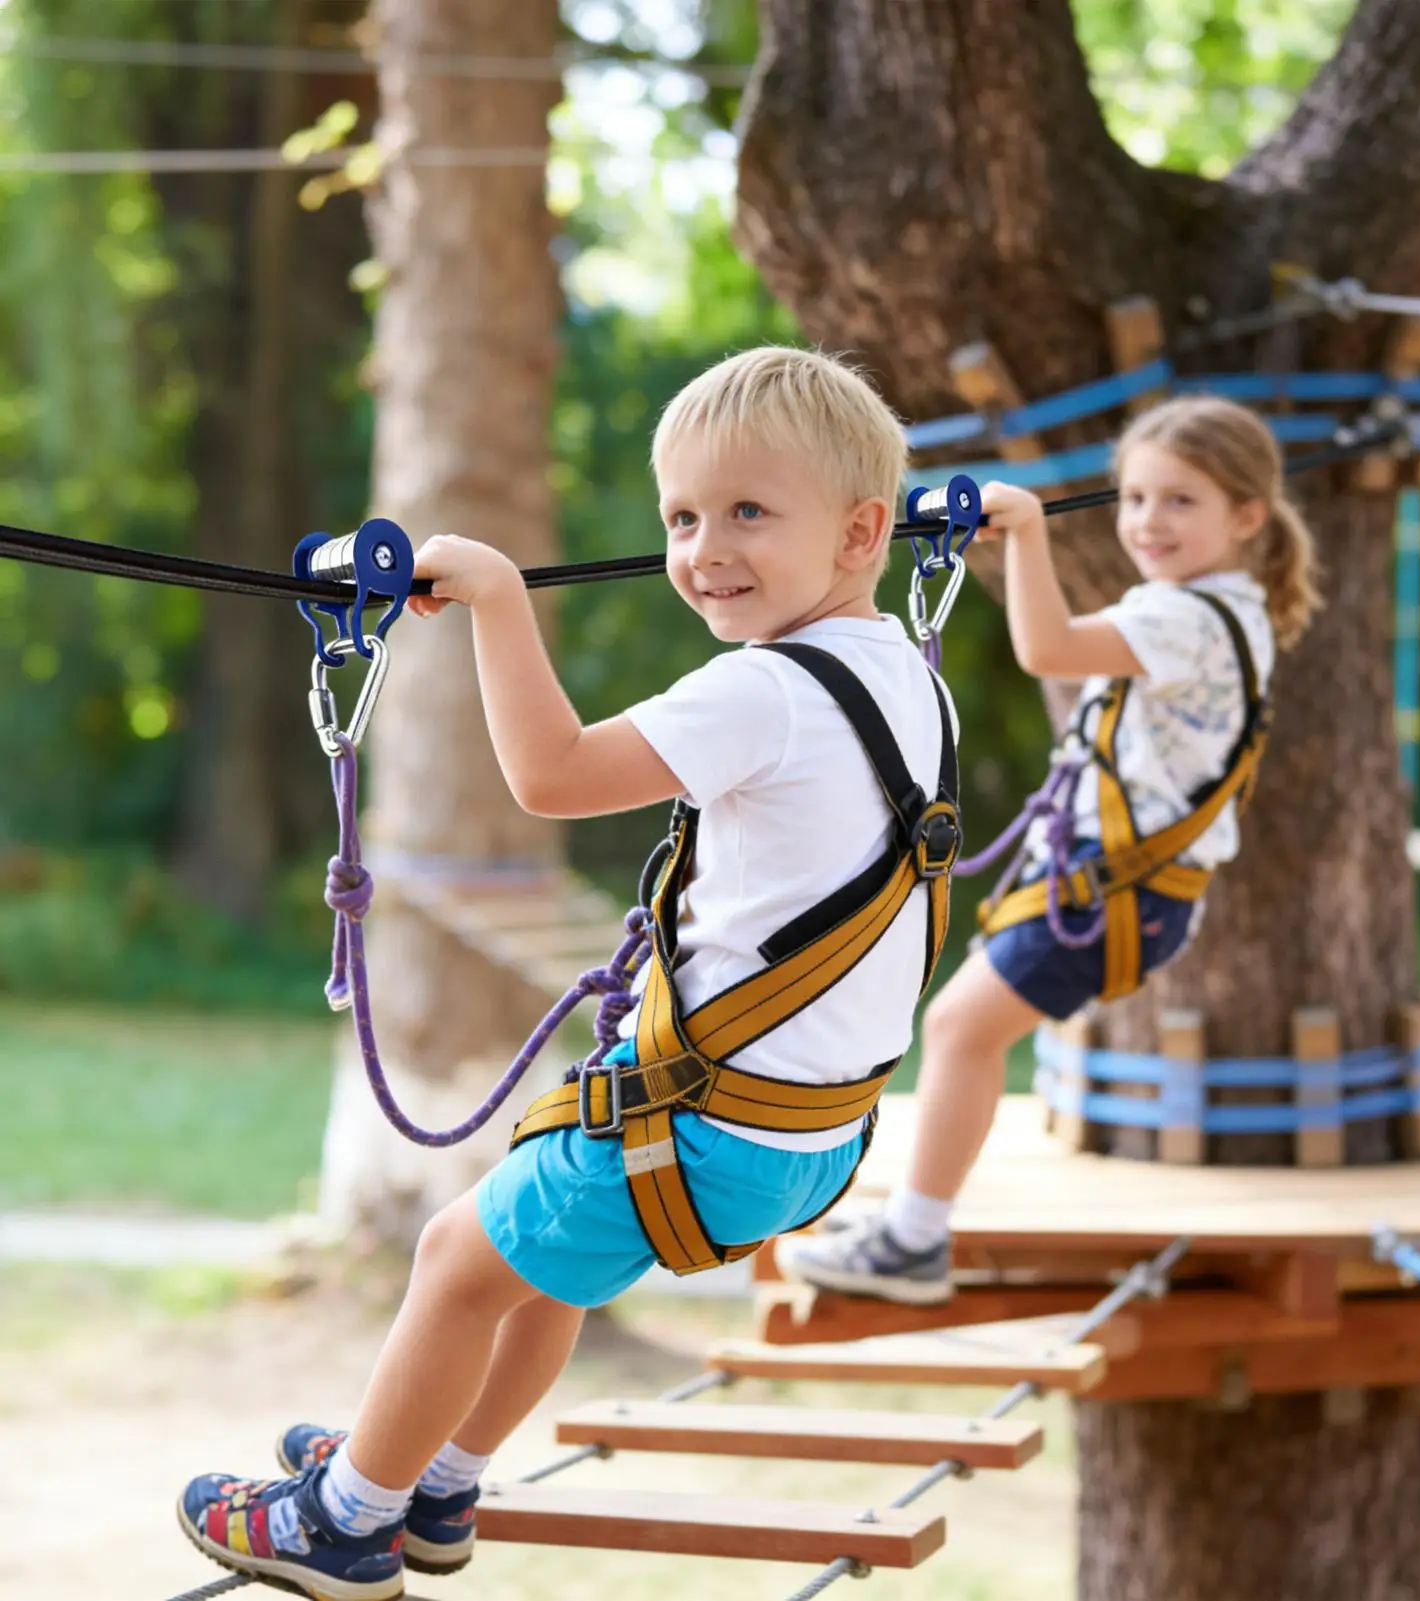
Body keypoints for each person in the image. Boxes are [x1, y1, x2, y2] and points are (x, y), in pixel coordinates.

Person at [175, 346, 960, 1600]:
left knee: (451, 1257)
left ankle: (346, 1518)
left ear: (862, 531)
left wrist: (493, 594)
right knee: (542, 1268)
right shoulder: (911, 681)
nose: (705, 547)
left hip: (711, 1132)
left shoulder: (759, 687)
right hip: (809, 1137)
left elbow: (549, 775)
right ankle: (435, 1477)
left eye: (749, 511)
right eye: (683, 516)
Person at [777, 395, 1322, 1307]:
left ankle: (913, 1239)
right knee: (960, 1028)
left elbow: (1048, 648)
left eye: (1179, 501)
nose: (1148, 521)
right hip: (1120, 888)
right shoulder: (1215, 608)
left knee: (957, 1030)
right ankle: (907, 1221)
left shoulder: (1185, 620)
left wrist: (1025, 532)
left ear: (1247, 516)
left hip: (1119, 894)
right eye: (1135, 497)